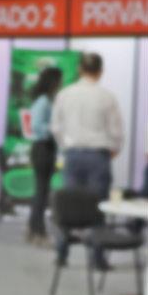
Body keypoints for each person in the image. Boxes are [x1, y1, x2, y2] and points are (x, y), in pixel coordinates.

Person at [51, 52, 124, 266]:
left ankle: (62, 253)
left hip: (72, 156)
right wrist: (114, 149)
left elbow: (56, 127)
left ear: (80, 69)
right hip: (98, 157)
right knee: (98, 206)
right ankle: (97, 258)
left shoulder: (65, 94)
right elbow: (116, 130)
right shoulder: (107, 97)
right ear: (101, 72)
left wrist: (66, 147)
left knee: (68, 206)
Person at [26, 66, 63, 246]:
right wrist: (54, 129)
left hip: (45, 148)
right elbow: (36, 126)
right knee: (41, 192)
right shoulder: (43, 101)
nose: (61, 84)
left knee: (41, 191)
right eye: (59, 80)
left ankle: (33, 229)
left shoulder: (47, 100)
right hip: (43, 148)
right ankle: (38, 232)